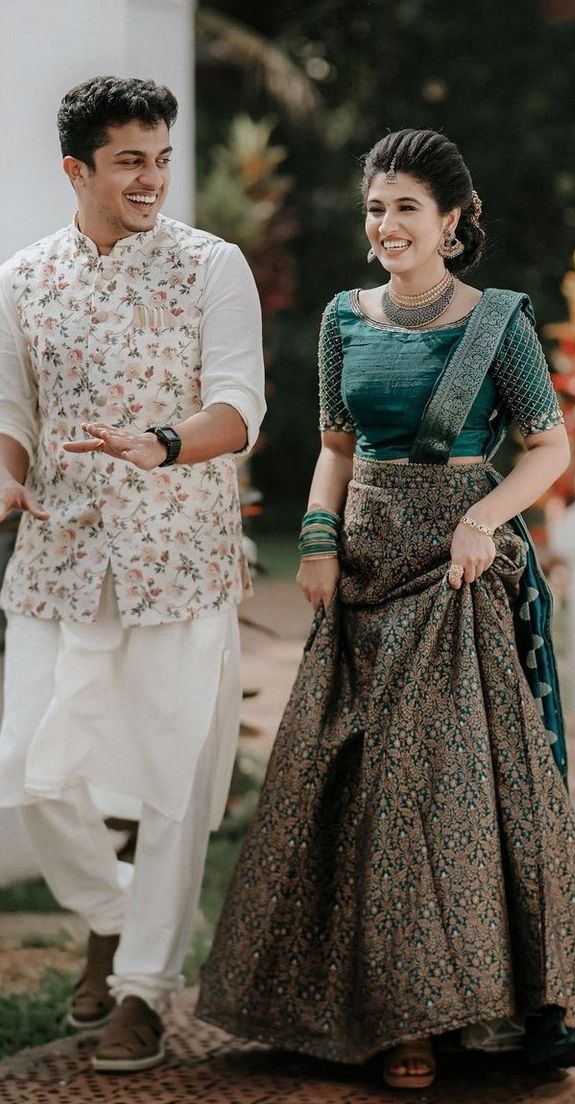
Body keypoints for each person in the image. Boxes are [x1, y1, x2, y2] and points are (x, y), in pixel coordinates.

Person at [197, 129, 575, 1090]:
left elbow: (548, 449)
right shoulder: (342, 319)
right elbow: (336, 449)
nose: (386, 225)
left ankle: (442, 1021)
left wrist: (484, 520)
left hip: (457, 578)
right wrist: (316, 537)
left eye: (405, 207)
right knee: (349, 787)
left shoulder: (499, 322)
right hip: (361, 571)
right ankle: (358, 1009)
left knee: (433, 797)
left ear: (450, 220)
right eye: (374, 208)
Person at [0, 76, 265, 1072]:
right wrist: (6, 475)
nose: (151, 177)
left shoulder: (210, 267)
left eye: (159, 157)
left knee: (170, 784)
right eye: (128, 161)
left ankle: (144, 989)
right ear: (77, 168)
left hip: (178, 560)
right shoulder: (23, 277)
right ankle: (108, 912)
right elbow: (10, 410)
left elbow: (239, 406)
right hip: (58, 558)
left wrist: (160, 442)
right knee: (26, 767)